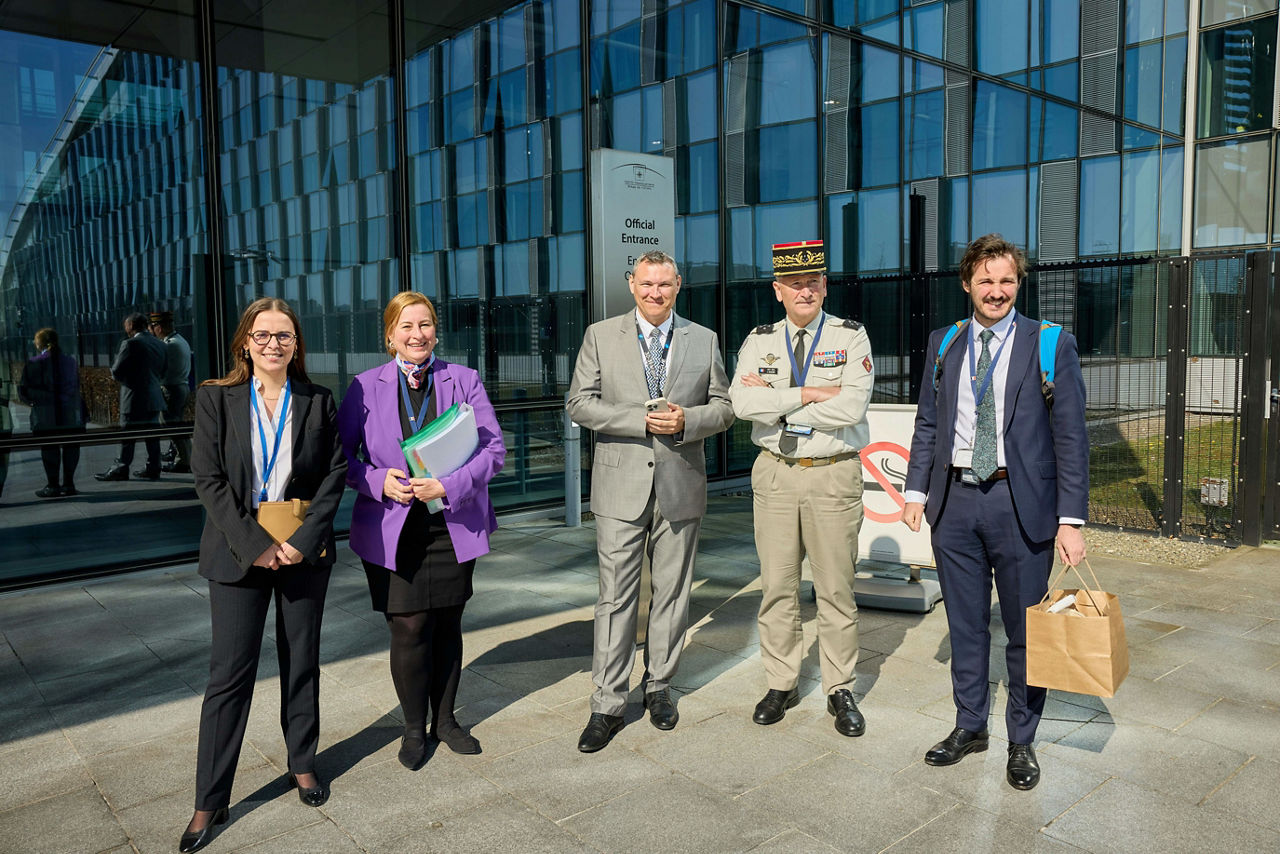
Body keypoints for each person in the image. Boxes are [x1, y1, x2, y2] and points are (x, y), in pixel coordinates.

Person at [902, 233, 1088, 792]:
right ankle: (969, 725)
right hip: (953, 502)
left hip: (1020, 504)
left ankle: (1023, 740)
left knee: (1025, 632)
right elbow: (928, 424)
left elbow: (1072, 437)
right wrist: (915, 492)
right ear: (967, 284)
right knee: (964, 625)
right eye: (985, 280)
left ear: (1018, 283)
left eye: (1006, 280)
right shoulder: (945, 342)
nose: (996, 290)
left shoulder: (1049, 343)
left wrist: (1071, 520)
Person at [179, 298, 346, 853]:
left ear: (296, 345)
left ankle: (303, 763)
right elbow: (208, 479)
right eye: (263, 334)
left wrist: (299, 542)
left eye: (285, 335)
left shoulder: (318, 400)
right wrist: (257, 546)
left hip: (302, 552)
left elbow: (334, 475)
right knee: (229, 674)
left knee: (302, 661)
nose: (274, 343)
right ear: (245, 342)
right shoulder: (215, 398)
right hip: (237, 554)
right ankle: (210, 797)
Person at [566, 249, 734, 752]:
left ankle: (659, 686)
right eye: (646, 285)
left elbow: (725, 407)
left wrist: (689, 421)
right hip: (620, 488)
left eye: (664, 285)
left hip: (681, 484)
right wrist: (637, 420)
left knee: (672, 593)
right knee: (615, 598)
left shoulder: (702, 339)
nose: (654, 293)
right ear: (631, 285)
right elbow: (579, 403)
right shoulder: (601, 335)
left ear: (678, 284)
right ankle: (607, 703)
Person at [337, 292, 505, 770]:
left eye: (426, 324)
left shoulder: (464, 380)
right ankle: (413, 729)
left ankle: (446, 721)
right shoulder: (364, 387)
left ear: (436, 330)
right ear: (389, 334)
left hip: (451, 524)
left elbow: (493, 451)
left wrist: (447, 484)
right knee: (409, 628)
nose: (418, 334)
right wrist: (376, 480)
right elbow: (341, 459)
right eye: (407, 326)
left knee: (448, 623)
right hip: (393, 528)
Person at [729, 239, 874, 738]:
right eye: (794, 284)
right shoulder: (760, 338)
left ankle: (839, 686)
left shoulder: (851, 337)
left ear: (824, 285)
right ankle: (782, 681)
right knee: (777, 586)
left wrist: (778, 401)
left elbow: (851, 408)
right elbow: (740, 403)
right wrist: (809, 393)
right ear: (778, 291)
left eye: (813, 281)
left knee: (835, 588)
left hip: (832, 472)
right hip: (775, 472)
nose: (804, 290)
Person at [95, 312, 166, 481]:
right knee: (152, 436)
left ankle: (121, 468)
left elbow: (117, 370)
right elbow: (163, 370)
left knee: (127, 435)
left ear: (130, 326)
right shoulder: (160, 344)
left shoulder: (130, 344)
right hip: (154, 396)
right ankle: (154, 467)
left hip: (134, 397)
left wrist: (119, 376)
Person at [19, 328, 85, 497]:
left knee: (49, 447)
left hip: (45, 413)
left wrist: (34, 401)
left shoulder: (34, 363)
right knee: (71, 447)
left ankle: (53, 485)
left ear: (39, 343)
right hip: (69, 412)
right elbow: (76, 386)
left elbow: (24, 391)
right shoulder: (69, 361)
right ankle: (69, 484)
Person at [152, 311, 193, 473]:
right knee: (178, 426)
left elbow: (161, 369)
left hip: (171, 388)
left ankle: (183, 461)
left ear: (159, 328)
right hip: (180, 387)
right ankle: (187, 458)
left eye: (154, 328)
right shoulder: (180, 340)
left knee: (172, 427)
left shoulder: (169, 345)